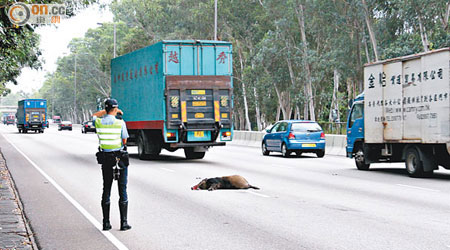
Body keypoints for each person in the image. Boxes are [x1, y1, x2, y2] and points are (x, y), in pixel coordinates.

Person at [92, 99, 132, 231]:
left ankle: (106, 223)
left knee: (106, 189)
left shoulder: (98, 122)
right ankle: (124, 223)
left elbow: (94, 115)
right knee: (122, 190)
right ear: (115, 109)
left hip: (106, 159)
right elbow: (124, 139)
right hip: (119, 158)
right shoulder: (120, 123)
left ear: (106, 108)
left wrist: (107, 110)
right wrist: (115, 111)